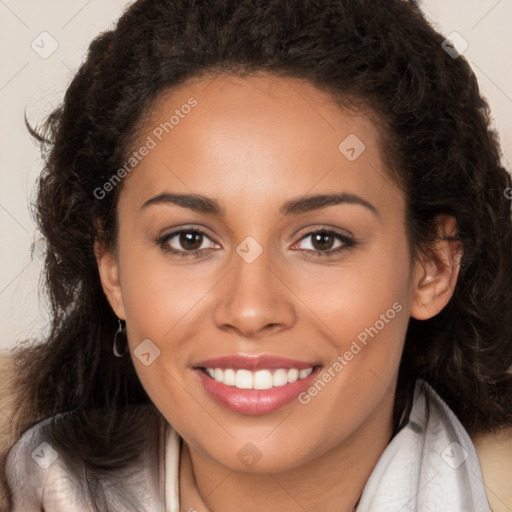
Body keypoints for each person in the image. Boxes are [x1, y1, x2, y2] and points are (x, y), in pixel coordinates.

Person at [1, 0, 511, 510]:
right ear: (112, 272)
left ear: (433, 268)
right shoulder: (33, 488)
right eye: (189, 239)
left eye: (322, 240)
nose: (250, 310)